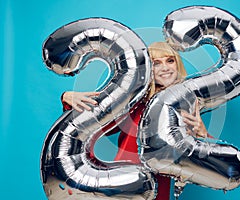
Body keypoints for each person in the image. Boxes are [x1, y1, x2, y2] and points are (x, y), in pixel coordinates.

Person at [61, 41, 208, 199]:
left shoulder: (185, 104)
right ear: (149, 69)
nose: (165, 68)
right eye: (156, 63)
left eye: (170, 60)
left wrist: (202, 134)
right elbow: (99, 122)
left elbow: (199, 156)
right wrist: (68, 97)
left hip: (159, 184)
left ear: (178, 65)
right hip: (125, 182)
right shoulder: (133, 101)